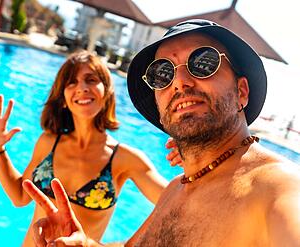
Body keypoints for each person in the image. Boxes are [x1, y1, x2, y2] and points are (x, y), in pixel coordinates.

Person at [22, 19, 300, 246]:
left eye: (203, 63)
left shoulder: (277, 188)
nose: (179, 81)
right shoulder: (176, 190)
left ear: (241, 91)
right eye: (162, 74)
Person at [0, 50, 174, 246]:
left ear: (106, 90)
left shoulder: (126, 159)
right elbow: (20, 196)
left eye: (91, 79)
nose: (82, 87)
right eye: (72, 82)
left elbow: (180, 203)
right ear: (63, 98)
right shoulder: (49, 142)